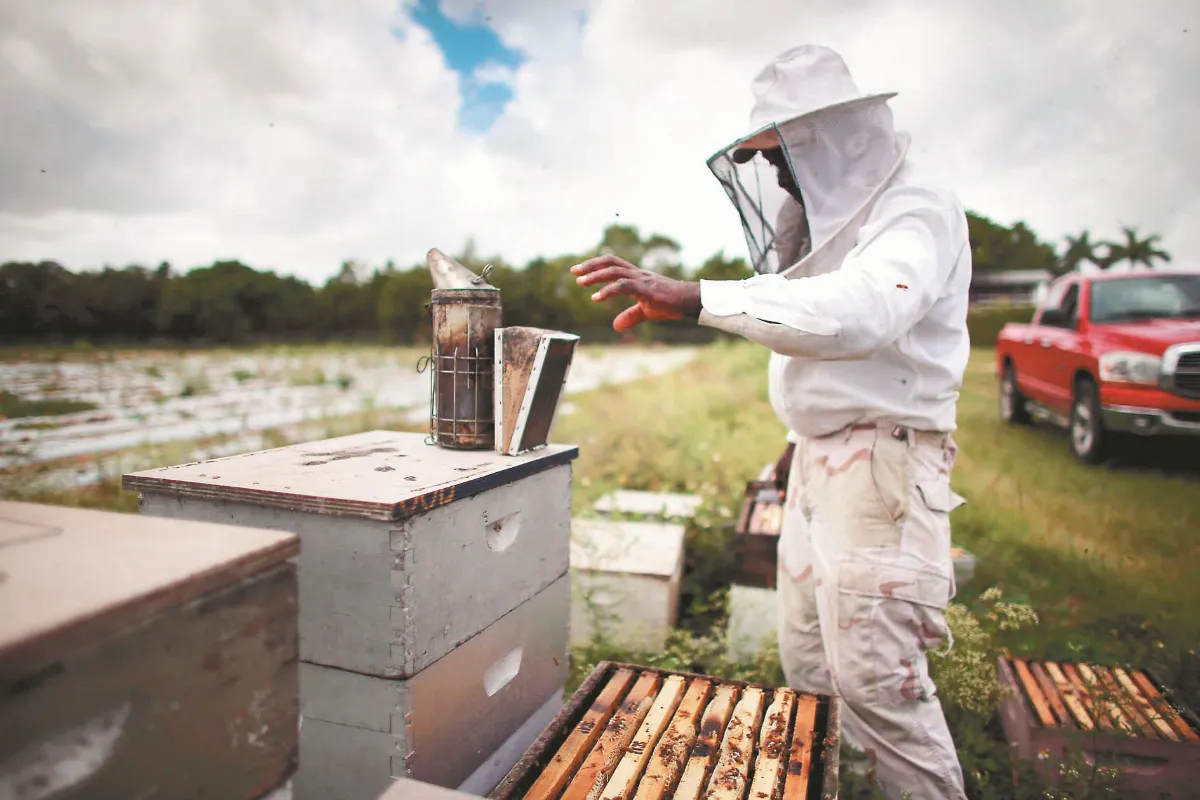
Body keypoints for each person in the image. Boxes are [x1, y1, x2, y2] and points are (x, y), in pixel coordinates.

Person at [571, 44, 972, 800]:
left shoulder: (915, 207)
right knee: (813, 670)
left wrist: (694, 295)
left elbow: (865, 312)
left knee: (882, 689)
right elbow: (821, 348)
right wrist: (796, 443)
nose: (779, 176)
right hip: (822, 465)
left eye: (782, 156)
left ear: (828, 140)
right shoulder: (833, 221)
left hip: (883, 473)